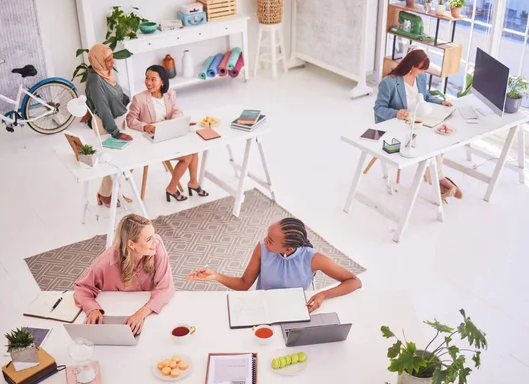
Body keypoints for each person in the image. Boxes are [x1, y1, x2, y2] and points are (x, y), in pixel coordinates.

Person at [186, 218, 362, 313]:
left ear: (289, 248)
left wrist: (324, 294)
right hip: (262, 308)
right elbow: (244, 284)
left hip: (295, 310)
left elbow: (354, 281)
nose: (264, 241)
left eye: (270, 240)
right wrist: (216, 276)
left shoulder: (313, 259)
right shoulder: (262, 248)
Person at [374, 49, 463, 201]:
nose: (422, 72)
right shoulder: (389, 83)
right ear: (411, 65)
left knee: (439, 139)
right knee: (428, 145)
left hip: (418, 122)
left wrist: (441, 102)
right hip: (399, 128)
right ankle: (440, 181)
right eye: (420, 68)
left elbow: (426, 97)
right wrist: (395, 113)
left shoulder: (420, 79)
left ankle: (436, 179)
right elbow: (378, 108)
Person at [74, 214, 174, 335]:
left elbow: (165, 287)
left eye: (154, 234)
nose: (155, 241)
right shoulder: (106, 262)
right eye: (148, 239)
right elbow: (82, 287)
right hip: (119, 313)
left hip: (152, 311)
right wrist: (92, 309)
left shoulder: (157, 247)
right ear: (131, 244)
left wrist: (141, 314)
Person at [126, 65, 208, 202]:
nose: (148, 82)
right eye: (147, 78)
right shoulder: (139, 99)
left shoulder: (170, 94)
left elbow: (177, 111)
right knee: (187, 157)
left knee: (194, 151)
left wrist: (173, 123)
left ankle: (193, 182)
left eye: (153, 79)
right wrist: (145, 127)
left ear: (162, 82)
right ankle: (172, 188)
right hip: (151, 140)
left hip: (168, 134)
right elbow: (130, 120)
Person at [84, 43, 133, 208]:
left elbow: (117, 95)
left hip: (115, 120)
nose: (112, 64)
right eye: (109, 60)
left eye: (112, 59)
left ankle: (110, 194)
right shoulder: (95, 81)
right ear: (98, 61)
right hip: (106, 125)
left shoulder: (104, 73)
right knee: (116, 161)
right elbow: (103, 108)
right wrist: (116, 132)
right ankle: (106, 195)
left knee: (123, 161)